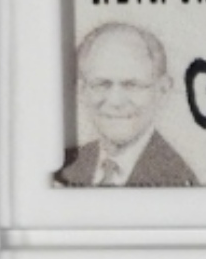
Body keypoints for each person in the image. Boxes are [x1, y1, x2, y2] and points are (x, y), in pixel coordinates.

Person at [56, 22, 197, 187]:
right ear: (81, 90)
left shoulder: (179, 182)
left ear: (163, 91)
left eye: (132, 85)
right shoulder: (64, 169)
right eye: (102, 84)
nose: (115, 101)